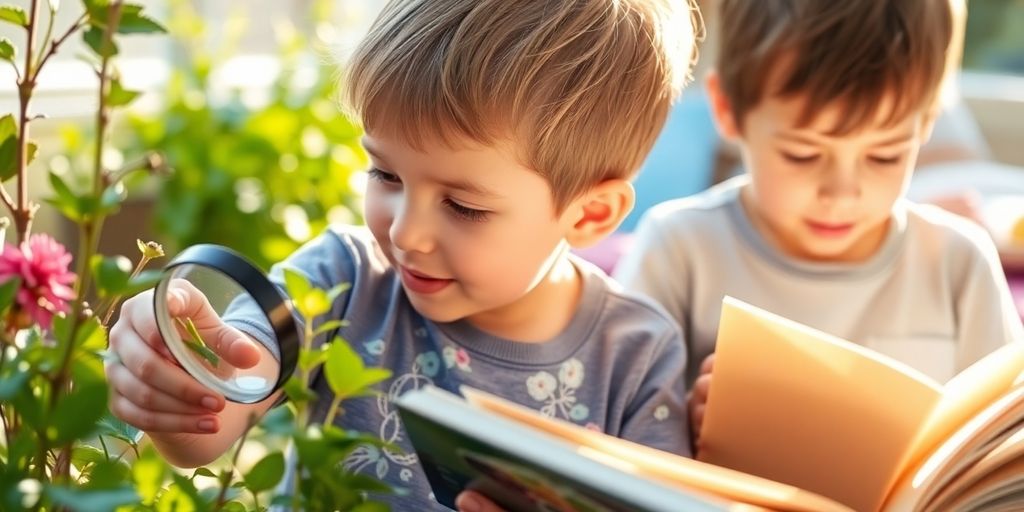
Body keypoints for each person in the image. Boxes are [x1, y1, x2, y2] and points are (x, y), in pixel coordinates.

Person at [104, 0, 699, 509]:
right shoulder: (341, 278)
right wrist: (180, 379)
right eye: (385, 173)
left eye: (464, 206)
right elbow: (209, 428)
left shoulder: (637, 358)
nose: (406, 233)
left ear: (589, 214)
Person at [613, 0, 1024, 447]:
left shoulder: (958, 263)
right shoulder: (679, 247)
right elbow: (614, 420)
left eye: (885, 155)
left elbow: (1002, 441)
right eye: (802, 155)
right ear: (727, 109)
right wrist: (682, 423)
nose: (841, 193)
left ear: (926, 122)